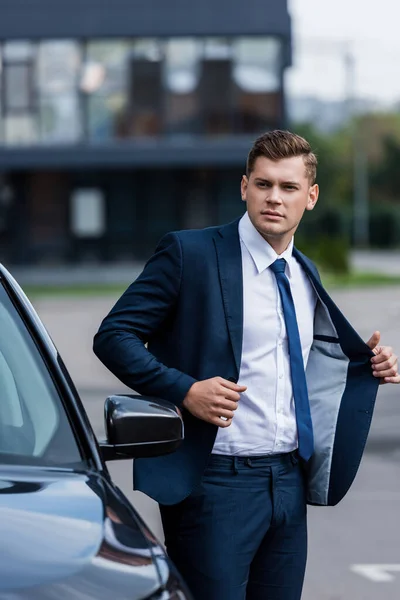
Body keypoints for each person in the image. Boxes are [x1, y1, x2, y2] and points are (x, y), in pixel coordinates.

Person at [93, 130, 399, 600]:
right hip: (215, 484)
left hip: (287, 483)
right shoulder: (189, 254)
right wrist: (184, 390)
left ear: (310, 197)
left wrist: (369, 363)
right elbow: (114, 336)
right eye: (263, 184)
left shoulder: (304, 274)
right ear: (244, 187)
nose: (274, 198)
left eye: (288, 187)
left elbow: (305, 362)